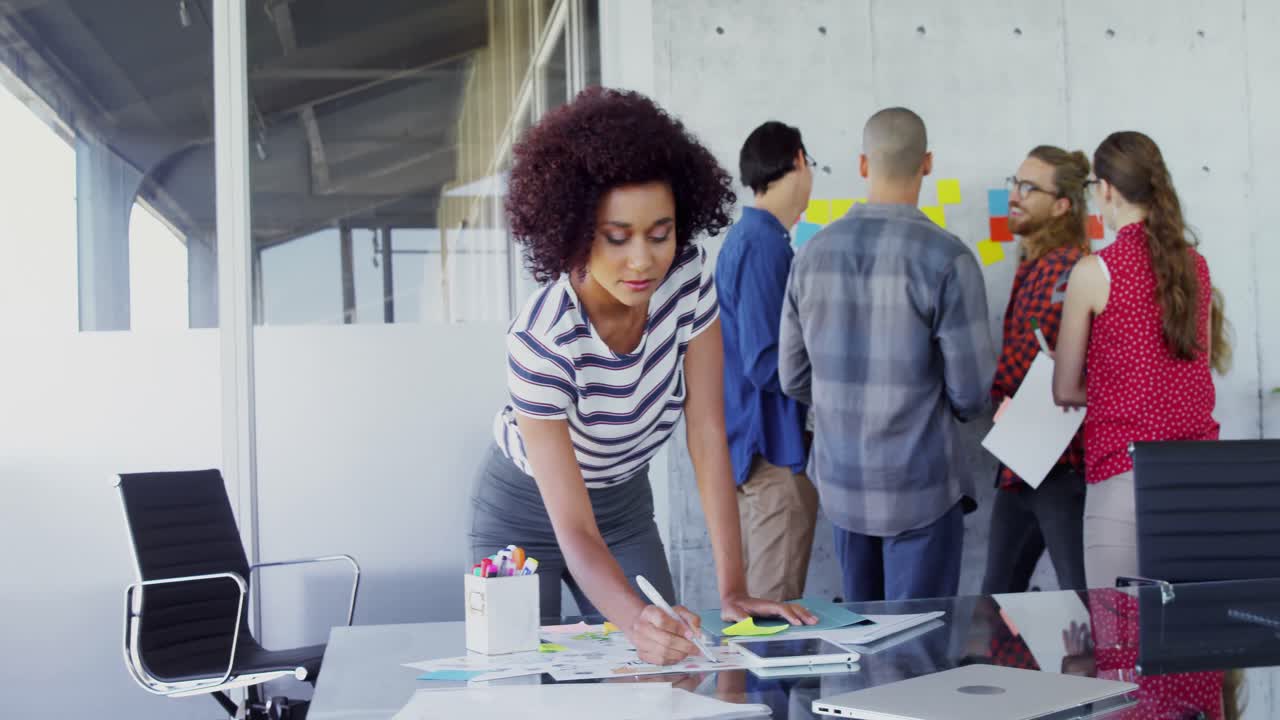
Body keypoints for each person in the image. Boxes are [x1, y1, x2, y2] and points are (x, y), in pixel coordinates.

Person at [469, 87, 815, 667]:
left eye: (660, 233)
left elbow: (706, 434)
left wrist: (731, 587)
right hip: (522, 515)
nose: (643, 261)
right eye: (617, 236)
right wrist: (629, 619)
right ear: (575, 230)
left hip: (625, 506)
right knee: (526, 686)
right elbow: (574, 528)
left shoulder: (686, 279)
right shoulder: (541, 341)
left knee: (665, 665)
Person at [779, 107, 995, 602]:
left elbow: (791, 376)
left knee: (865, 646)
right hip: (919, 485)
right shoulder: (948, 258)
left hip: (842, 486)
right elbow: (972, 392)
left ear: (861, 165)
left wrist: (844, 401)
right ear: (928, 164)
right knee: (916, 650)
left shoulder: (812, 254)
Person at [1053, 131, 1224, 588]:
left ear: (1105, 188)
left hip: (1123, 477)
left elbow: (1065, 389)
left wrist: (1112, 382)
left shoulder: (1094, 272)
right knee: (1194, 639)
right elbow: (1192, 370)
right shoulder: (1197, 268)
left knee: (1122, 640)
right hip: (1197, 477)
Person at [715, 121, 819, 602]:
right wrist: (836, 384)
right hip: (770, 452)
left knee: (763, 611)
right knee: (770, 619)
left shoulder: (757, 239)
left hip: (757, 449)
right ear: (798, 160)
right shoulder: (761, 244)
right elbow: (765, 361)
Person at [981, 146, 1092, 595]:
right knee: (995, 602)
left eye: (1030, 188)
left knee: (1082, 600)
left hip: (1061, 467)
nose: (1016, 195)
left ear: (1062, 204)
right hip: (1024, 461)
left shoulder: (1071, 271)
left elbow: (1061, 366)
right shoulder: (1035, 265)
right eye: (1015, 183)